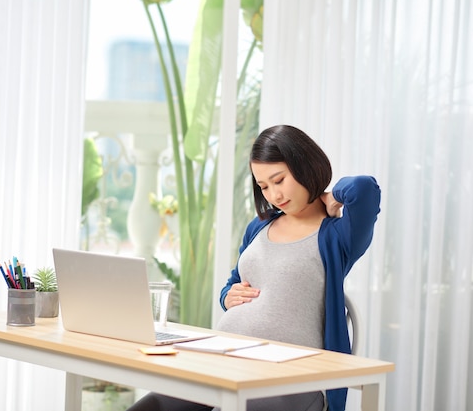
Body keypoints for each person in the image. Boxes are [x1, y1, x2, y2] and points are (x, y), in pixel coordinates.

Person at [126, 124, 381, 411]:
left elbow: (364, 189)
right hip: (221, 363)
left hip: (290, 378)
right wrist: (227, 296)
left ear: (305, 166)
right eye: (263, 186)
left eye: (279, 180)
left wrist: (330, 196)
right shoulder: (259, 226)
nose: (274, 194)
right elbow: (234, 282)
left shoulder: (337, 235)